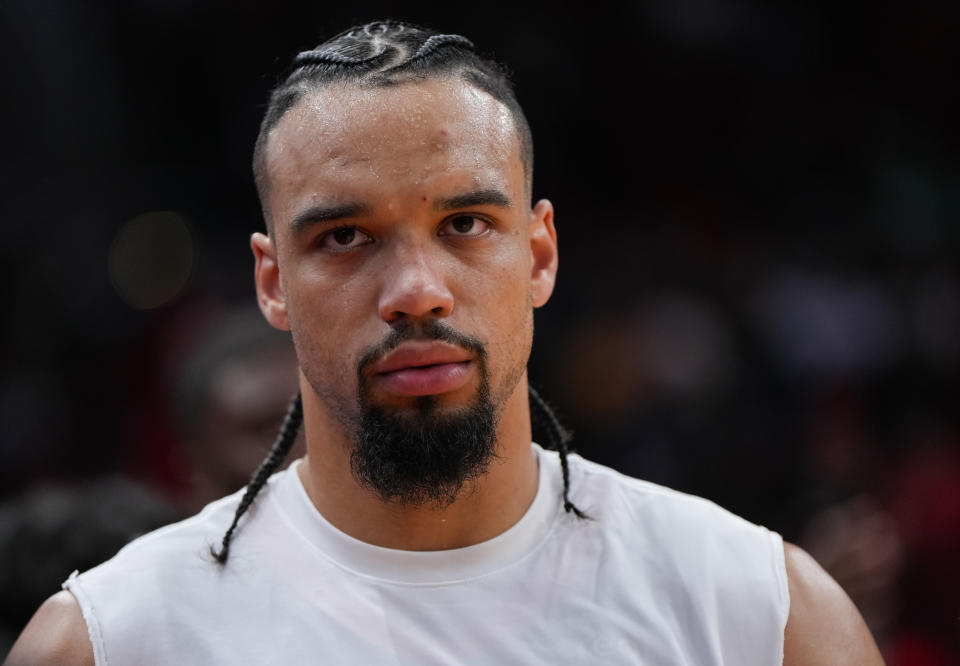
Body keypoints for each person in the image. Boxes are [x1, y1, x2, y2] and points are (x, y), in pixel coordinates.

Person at [6, 21, 883, 665]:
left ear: (538, 255)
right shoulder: (112, 642)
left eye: (464, 222)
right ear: (272, 282)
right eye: (345, 237)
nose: (416, 290)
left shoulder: (762, 617)